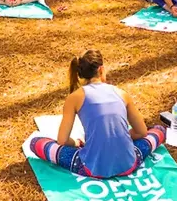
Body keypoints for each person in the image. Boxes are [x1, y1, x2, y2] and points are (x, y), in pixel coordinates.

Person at [29, 50, 167, 178]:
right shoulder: (122, 94)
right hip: (129, 164)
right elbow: (142, 132)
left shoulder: (74, 98)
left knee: (36, 143)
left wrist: (77, 142)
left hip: (90, 167)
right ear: (101, 69)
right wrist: (119, 135)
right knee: (159, 130)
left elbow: (63, 141)